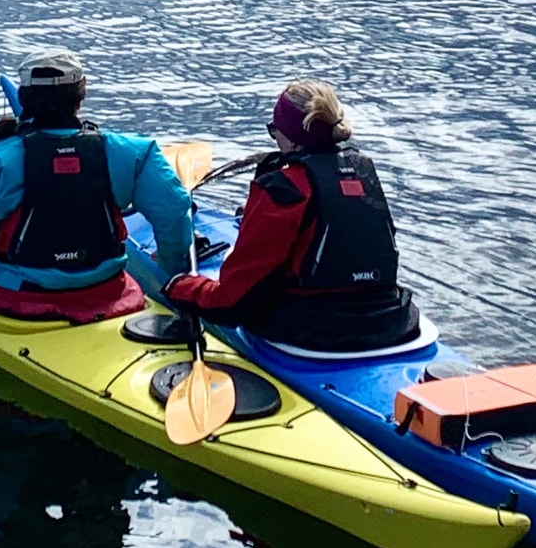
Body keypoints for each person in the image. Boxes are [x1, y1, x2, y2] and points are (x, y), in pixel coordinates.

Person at [165, 80, 420, 354]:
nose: (275, 137)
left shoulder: (282, 190)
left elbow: (231, 304)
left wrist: (179, 288)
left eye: (275, 131)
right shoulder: (364, 171)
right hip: (389, 319)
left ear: (290, 137)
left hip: (311, 331)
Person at [0, 47, 194, 322]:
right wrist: (171, 270)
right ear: (80, 98)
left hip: (16, 299)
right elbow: (174, 213)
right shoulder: (135, 152)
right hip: (109, 292)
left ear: (23, 97)